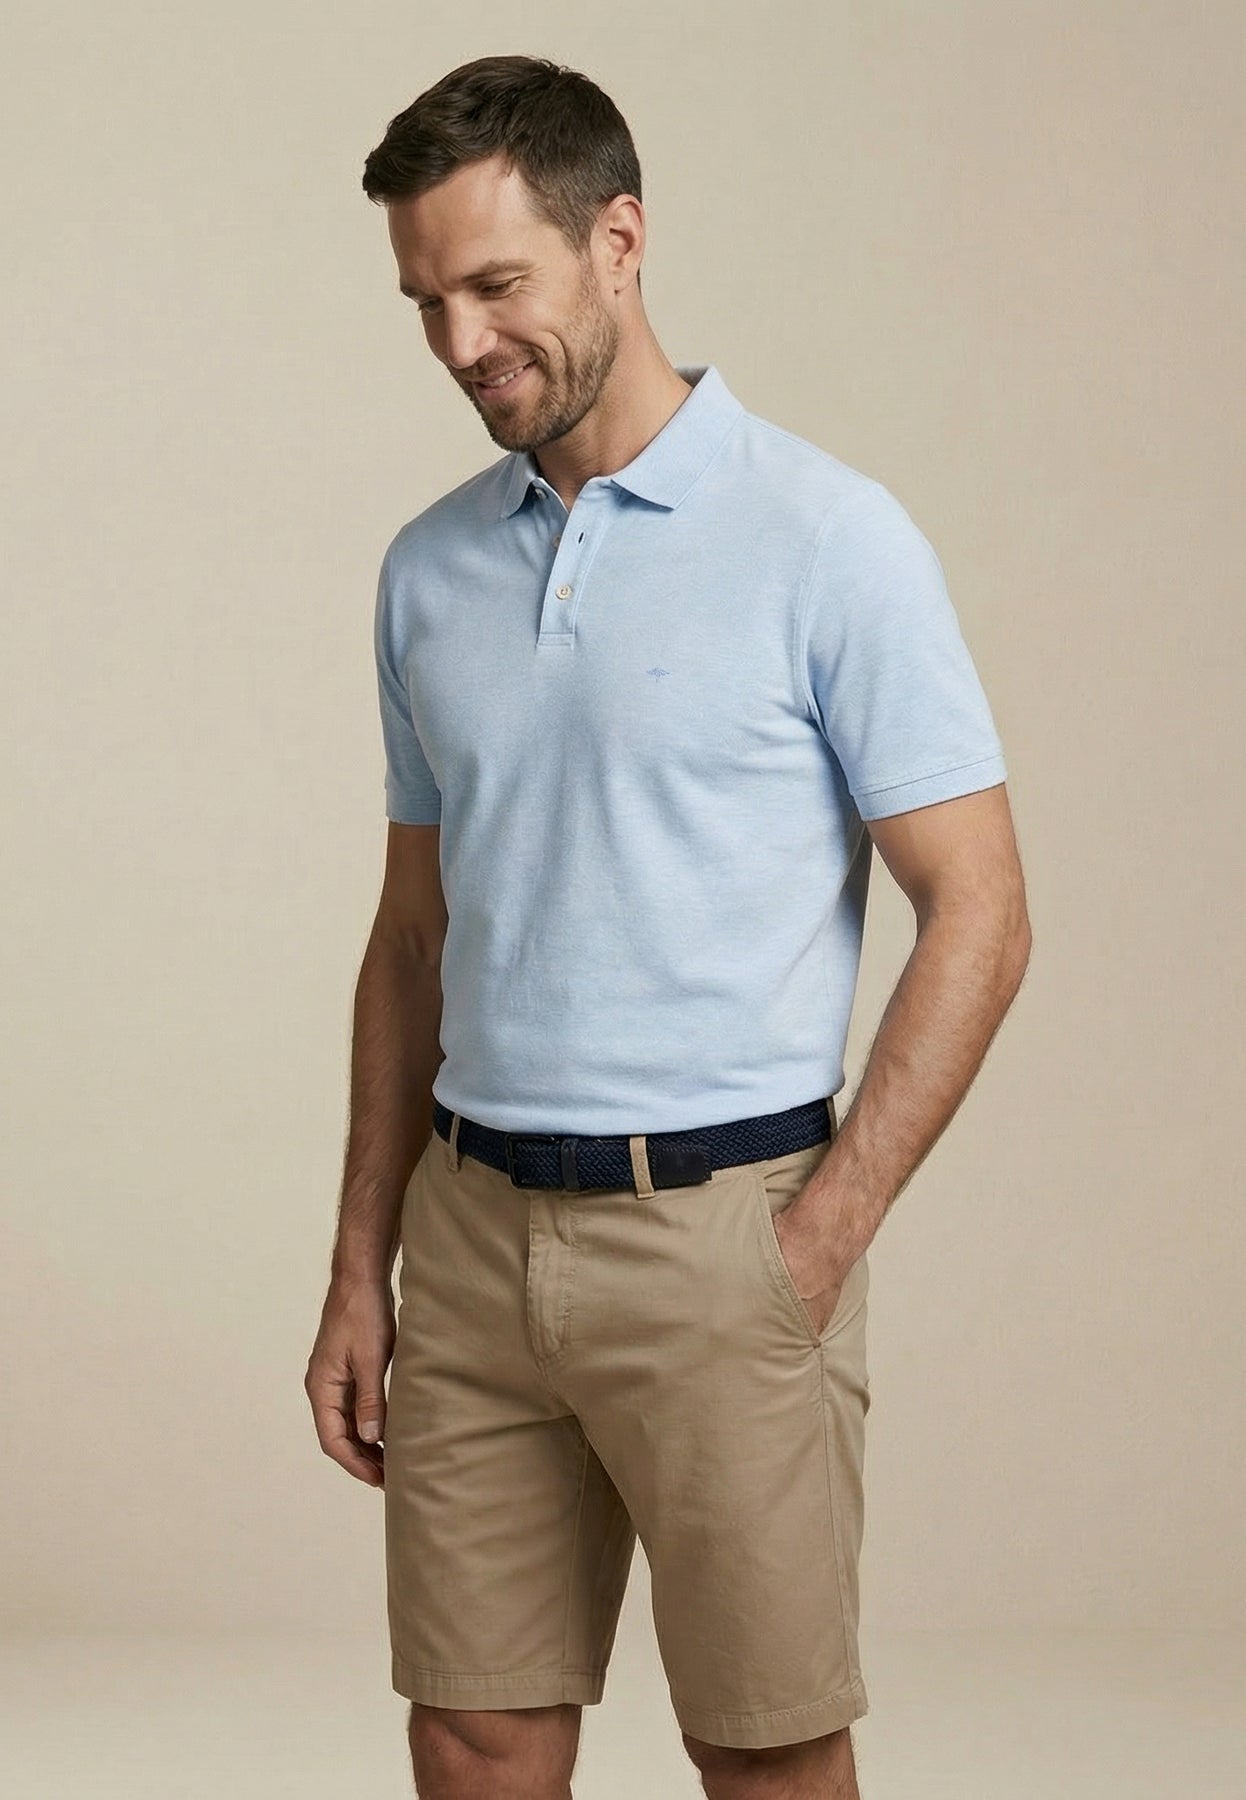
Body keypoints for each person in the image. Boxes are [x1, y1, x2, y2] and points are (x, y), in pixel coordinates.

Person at [304, 52, 1031, 1800]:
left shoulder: (827, 538)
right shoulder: (427, 570)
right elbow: (411, 943)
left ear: (616, 242)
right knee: (472, 1736)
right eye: (426, 302)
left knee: (765, 1757)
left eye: (497, 285)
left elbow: (981, 911)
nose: (461, 341)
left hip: (721, 1239)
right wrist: (359, 1268)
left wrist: (817, 1237)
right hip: (470, 1239)